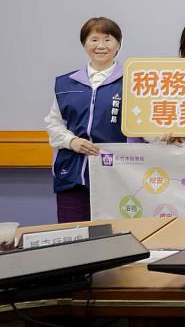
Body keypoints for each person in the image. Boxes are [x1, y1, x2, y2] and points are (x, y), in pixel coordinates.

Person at [45, 17, 125, 222]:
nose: (101, 46)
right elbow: (53, 123)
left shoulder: (131, 81)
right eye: (94, 39)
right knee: (74, 233)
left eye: (107, 39)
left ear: (118, 44)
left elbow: (142, 125)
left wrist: (164, 136)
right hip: (72, 172)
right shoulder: (66, 83)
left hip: (117, 173)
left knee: (115, 234)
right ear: (84, 44)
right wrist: (72, 141)